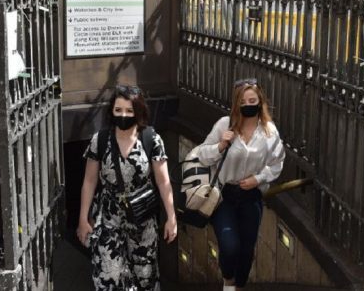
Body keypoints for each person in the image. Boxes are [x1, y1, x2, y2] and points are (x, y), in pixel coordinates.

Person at [77, 85, 177, 290]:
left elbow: (163, 181)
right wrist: (83, 219)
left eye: (129, 110)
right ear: (111, 111)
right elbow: (89, 181)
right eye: (118, 110)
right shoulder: (100, 140)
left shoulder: (151, 140)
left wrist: (171, 217)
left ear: (138, 112)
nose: (123, 115)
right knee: (108, 276)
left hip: (142, 218)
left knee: (144, 277)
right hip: (108, 217)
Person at [197, 79, 285, 291]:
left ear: (260, 101)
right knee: (229, 246)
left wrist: (259, 179)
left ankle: (239, 286)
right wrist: (221, 145)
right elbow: (202, 155)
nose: (248, 105)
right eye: (243, 101)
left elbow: (277, 162)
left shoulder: (269, 131)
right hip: (224, 195)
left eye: (252, 100)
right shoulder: (224, 125)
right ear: (236, 104)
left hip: (251, 197)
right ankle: (228, 281)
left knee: (246, 251)